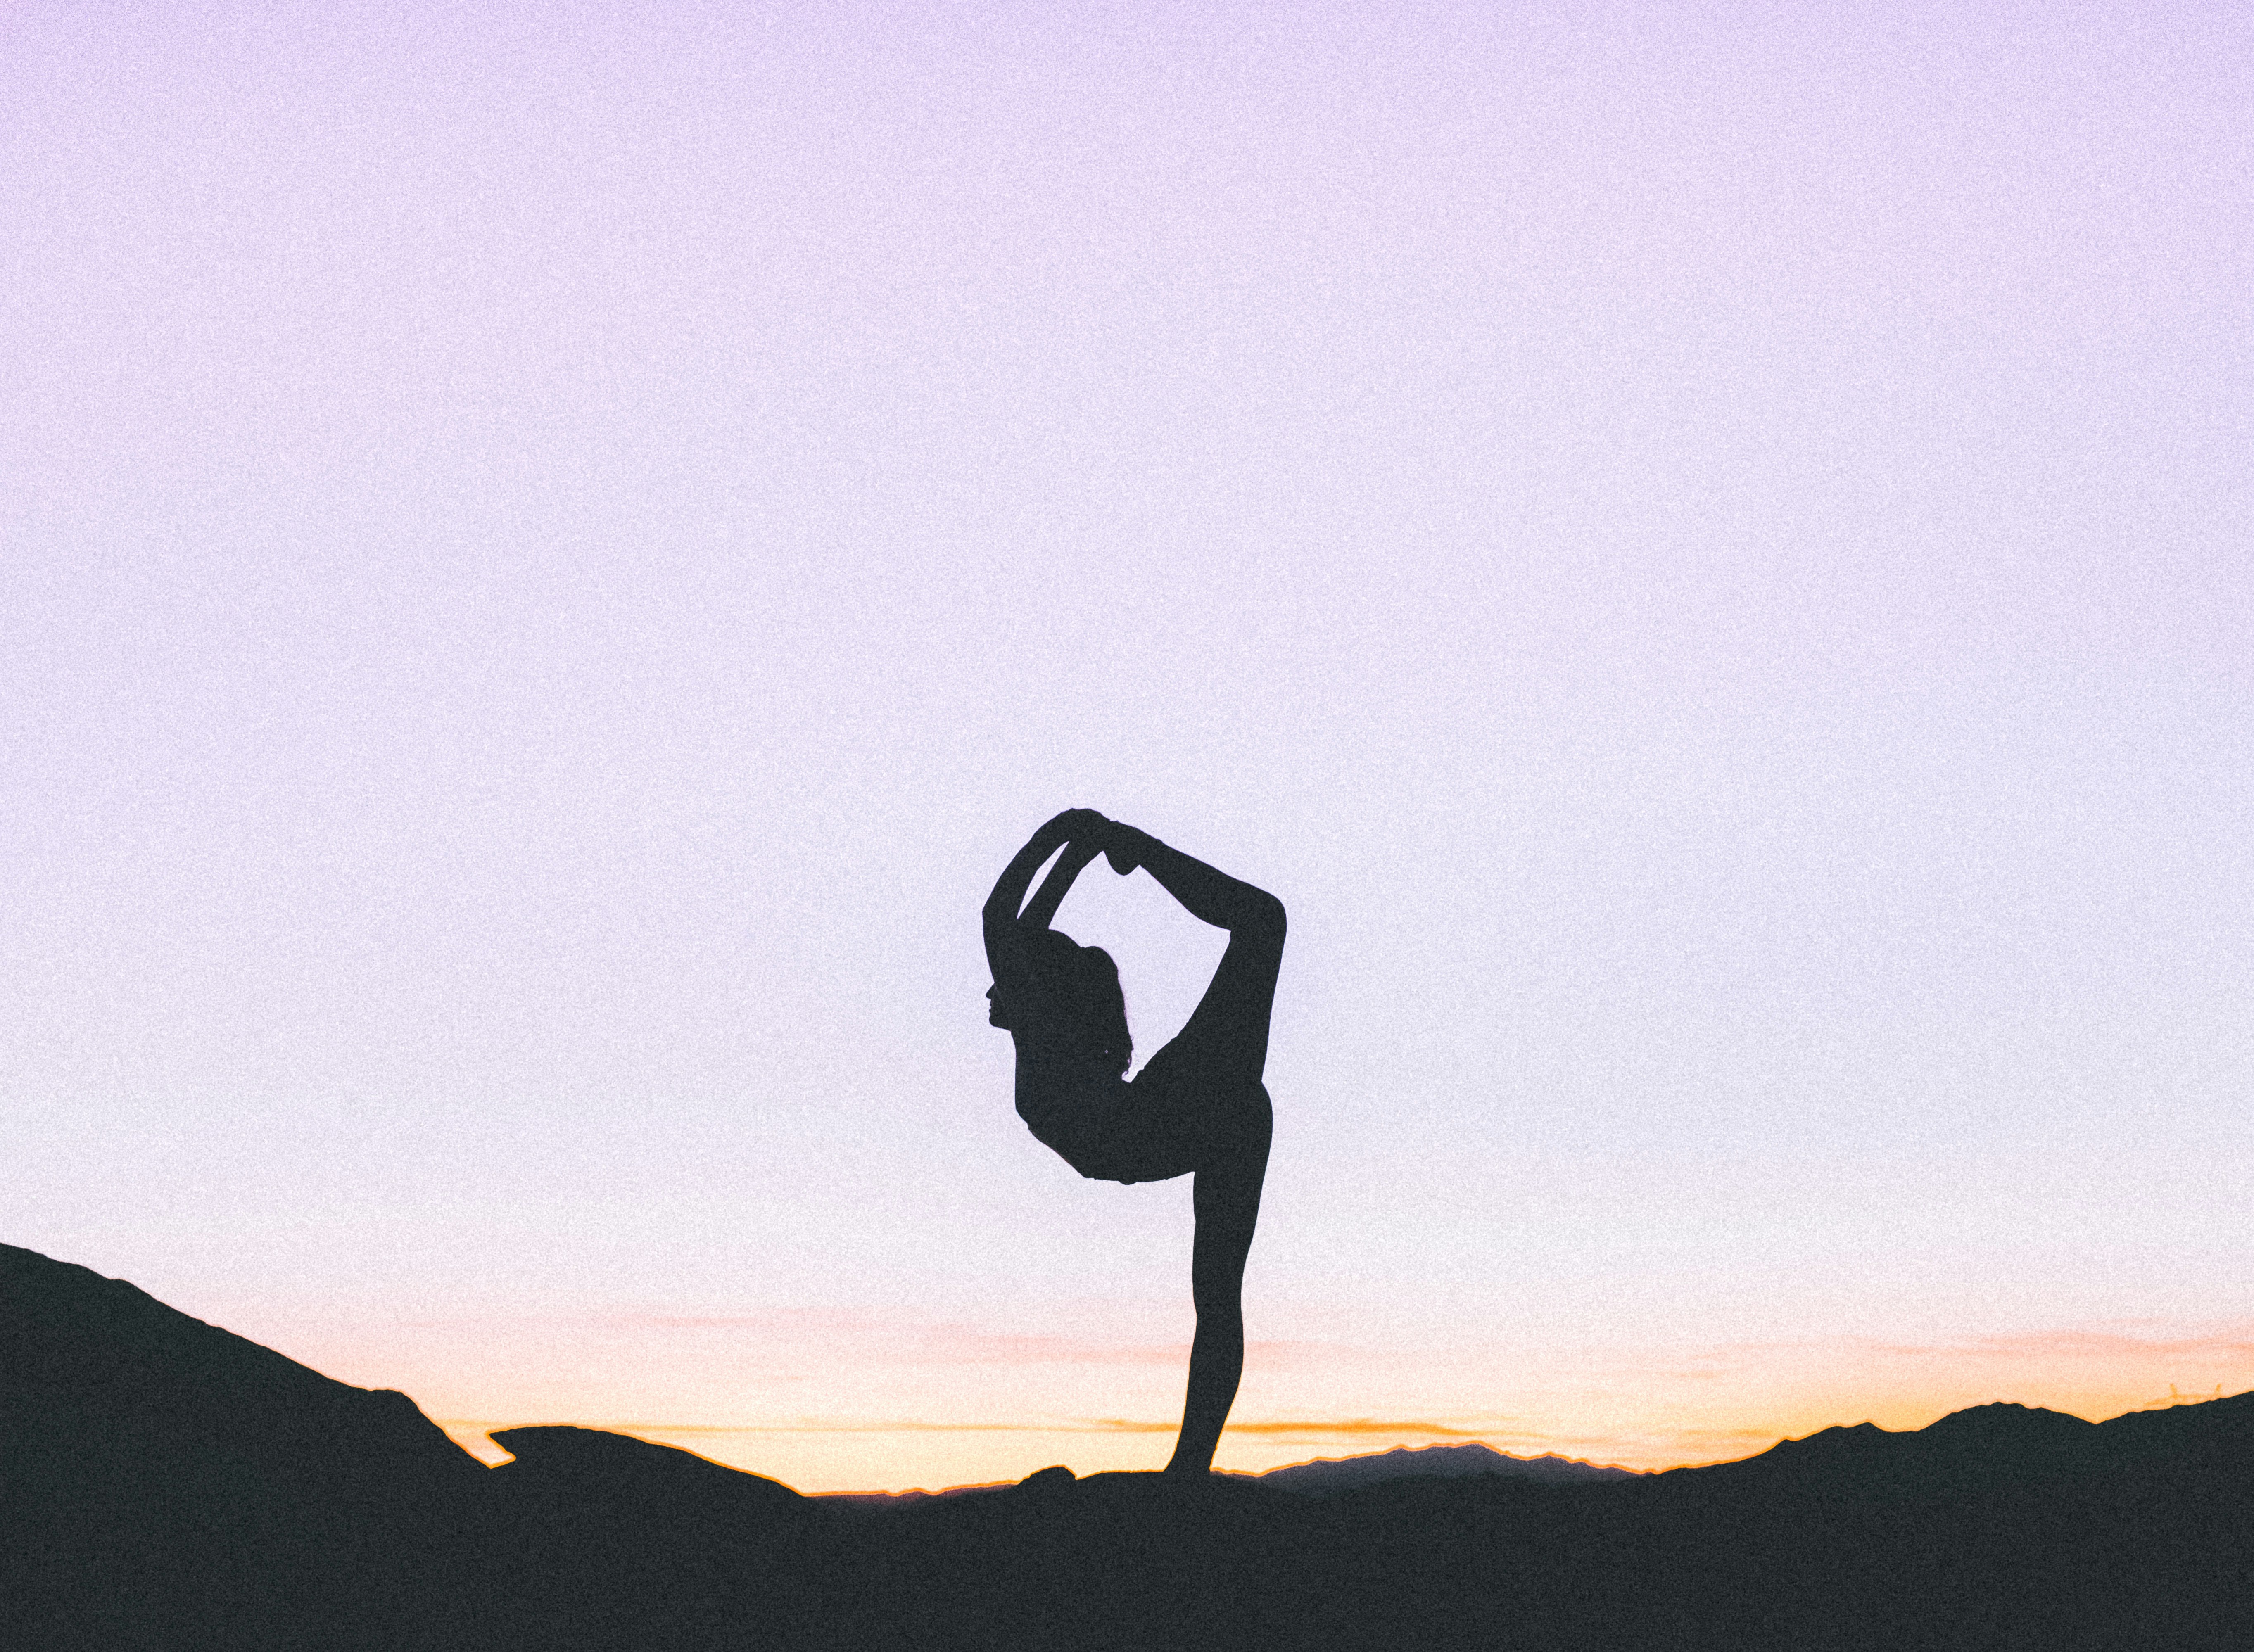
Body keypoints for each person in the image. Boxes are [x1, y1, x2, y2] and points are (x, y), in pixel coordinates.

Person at [983, 808, 1285, 1476]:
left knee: (1263, 920)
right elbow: (1019, 933)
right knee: (1216, 1294)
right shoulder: (1048, 1036)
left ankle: (1190, 1470)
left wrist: (1067, 837)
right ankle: (1190, 1467)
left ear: (1035, 991)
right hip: (1178, 1118)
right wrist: (1082, 845)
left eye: (1003, 981)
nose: (988, 989)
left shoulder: (1043, 1033)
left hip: (1162, 1120)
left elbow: (1002, 923)